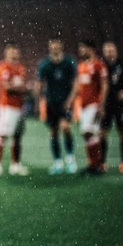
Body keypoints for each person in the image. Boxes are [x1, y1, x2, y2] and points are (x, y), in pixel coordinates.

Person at [36, 38, 78, 175]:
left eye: (57, 45)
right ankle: (58, 162)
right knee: (53, 132)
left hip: (65, 103)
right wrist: (38, 100)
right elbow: (40, 84)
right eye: (52, 45)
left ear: (61, 46)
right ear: (49, 47)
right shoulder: (44, 64)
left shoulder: (69, 62)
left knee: (66, 128)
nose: (55, 47)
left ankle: (70, 159)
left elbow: (75, 84)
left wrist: (70, 101)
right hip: (51, 104)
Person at [0, 42, 29, 177]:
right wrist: (23, 89)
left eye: (15, 50)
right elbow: (7, 87)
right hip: (7, 106)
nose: (13, 53)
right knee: (2, 135)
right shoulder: (3, 66)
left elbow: (19, 87)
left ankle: (15, 165)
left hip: (20, 107)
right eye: (11, 51)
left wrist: (20, 88)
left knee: (17, 137)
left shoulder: (21, 68)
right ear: (6, 52)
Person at [99, 41, 123, 174]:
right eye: (107, 50)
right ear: (104, 52)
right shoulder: (100, 65)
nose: (109, 52)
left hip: (121, 106)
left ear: (116, 51)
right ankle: (102, 162)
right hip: (106, 105)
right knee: (102, 134)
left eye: (111, 50)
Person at [76, 39, 109, 175]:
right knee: (88, 135)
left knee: (87, 132)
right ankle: (94, 164)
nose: (81, 51)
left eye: (83, 48)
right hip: (84, 105)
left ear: (91, 49)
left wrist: (101, 104)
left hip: (94, 104)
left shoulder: (98, 65)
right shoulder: (82, 65)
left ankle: (96, 164)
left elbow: (105, 85)